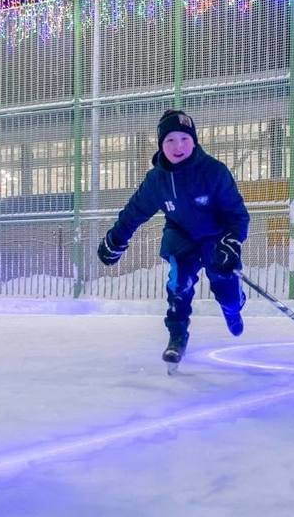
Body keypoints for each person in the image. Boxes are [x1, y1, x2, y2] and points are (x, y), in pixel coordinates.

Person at [97, 109, 250, 368]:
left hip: (216, 237)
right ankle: (177, 336)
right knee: (178, 285)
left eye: (184, 139)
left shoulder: (214, 171)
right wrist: (116, 240)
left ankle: (233, 307)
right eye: (169, 140)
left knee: (225, 285)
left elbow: (237, 215)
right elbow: (134, 212)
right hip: (182, 236)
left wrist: (231, 242)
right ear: (161, 144)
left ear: (194, 141)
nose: (177, 146)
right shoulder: (157, 179)